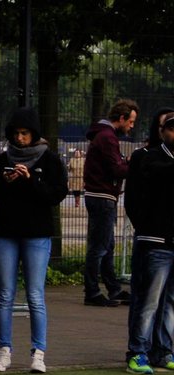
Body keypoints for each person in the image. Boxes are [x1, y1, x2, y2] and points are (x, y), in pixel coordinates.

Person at [0, 107, 68, 374]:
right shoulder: (1, 159)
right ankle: (4, 351)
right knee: (6, 294)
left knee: (35, 294)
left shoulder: (50, 159)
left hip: (37, 233)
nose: (20, 138)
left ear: (34, 134)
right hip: (6, 231)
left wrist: (31, 179)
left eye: (25, 133)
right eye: (16, 134)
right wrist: (7, 181)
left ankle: (38, 353)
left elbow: (56, 195)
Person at [123, 107, 174, 374]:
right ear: (160, 130)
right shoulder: (147, 158)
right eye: (170, 126)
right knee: (148, 300)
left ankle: (163, 349)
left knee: (169, 301)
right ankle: (138, 351)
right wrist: (145, 225)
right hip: (155, 239)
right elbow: (133, 197)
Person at [83, 98, 138, 307]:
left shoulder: (103, 136)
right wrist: (133, 166)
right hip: (102, 196)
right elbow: (116, 168)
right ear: (122, 118)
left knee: (106, 244)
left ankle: (112, 288)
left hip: (101, 196)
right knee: (99, 246)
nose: (131, 126)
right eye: (131, 122)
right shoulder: (108, 138)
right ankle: (92, 291)